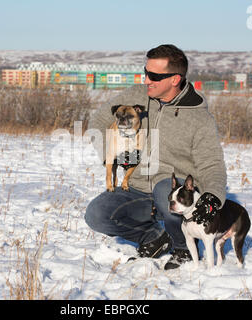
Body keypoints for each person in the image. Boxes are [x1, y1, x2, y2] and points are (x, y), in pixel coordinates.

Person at [85, 44, 227, 269]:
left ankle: (183, 248)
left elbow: (212, 164)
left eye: (154, 76)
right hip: (136, 188)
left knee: (164, 190)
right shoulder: (136, 95)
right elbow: (99, 122)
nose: (147, 80)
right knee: (96, 214)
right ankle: (154, 236)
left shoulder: (200, 119)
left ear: (174, 79)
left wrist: (213, 198)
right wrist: (112, 155)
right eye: (145, 72)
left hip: (173, 190)